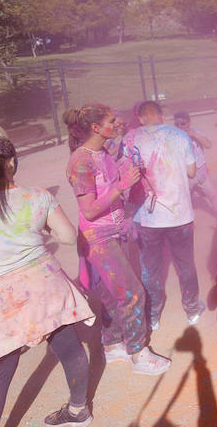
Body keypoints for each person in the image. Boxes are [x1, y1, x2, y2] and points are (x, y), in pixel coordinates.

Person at [0, 136, 95, 427]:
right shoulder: (38, 197)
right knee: (70, 349)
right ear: (11, 162)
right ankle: (79, 411)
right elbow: (67, 237)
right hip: (46, 287)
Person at [63, 104, 171, 375]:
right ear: (96, 128)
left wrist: (128, 172)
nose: (118, 122)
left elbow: (111, 183)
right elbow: (89, 209)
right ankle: (138, 353)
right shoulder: (81, 160)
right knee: (133, 292)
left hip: (115, 231)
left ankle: (112, 346)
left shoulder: (103, 153)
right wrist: (121, 185)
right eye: (111, 120)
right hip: (98, 237)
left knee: (113, 294)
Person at [122, 102, 204, 330]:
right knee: (185, 263)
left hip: (147, 217)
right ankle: (192, 309)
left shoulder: (130, 139)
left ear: (139, 117)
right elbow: (191, 171)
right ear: (161, 114)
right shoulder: (179, 134)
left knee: (150, 267)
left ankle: (154, 314)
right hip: (181, 215)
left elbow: (125, 175)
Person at [174, 110, 217, 219]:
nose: (180, 127)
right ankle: (187, 220)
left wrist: (195, 135)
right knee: (186, 199)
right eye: (177, 125)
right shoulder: (174, 137)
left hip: (200, 170)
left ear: (189, 122)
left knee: (211, 193)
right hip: (185, 174)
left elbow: (208, 144)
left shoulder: (196, 133)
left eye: (183, 124)